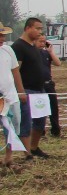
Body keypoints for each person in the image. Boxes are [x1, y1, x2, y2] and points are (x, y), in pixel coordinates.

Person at [11, 18, 51, 159]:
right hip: (27, 90)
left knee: (40, 122)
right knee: (26, 122)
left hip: (39, 89)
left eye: (41, 29)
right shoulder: (18, 46)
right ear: (28, 28)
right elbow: (16, 70)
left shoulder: (33, 46)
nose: (40, 32)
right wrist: (20, 90)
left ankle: (34, 147)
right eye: (37, 28)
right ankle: (27, 153)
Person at [0, 24, 25, 171]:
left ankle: (9, 158)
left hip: (10, 97)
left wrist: (21, 91)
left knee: (13, 127)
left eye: (3, 35)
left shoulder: (8, 50)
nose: (2, 38)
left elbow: (16, 72)